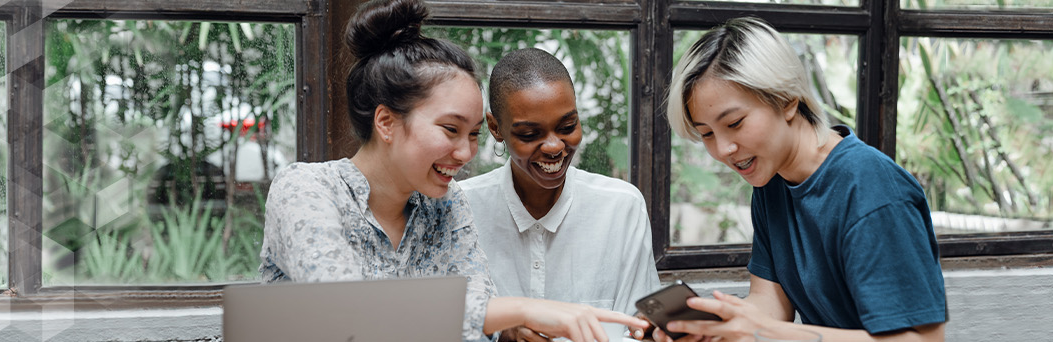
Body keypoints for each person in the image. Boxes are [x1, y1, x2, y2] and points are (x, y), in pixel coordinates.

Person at [257, 0, 648, 341]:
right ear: (387, 122)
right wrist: (524, 310)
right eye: (450, 129)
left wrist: (507, 322)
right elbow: (346, 311)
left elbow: (479, 315)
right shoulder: (307, 189)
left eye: (474, 134)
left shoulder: (445, 204)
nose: (465, 153)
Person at [654, 17, 947, 341]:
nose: (723, 149)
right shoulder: (771, 180)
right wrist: (714, 326)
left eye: (735, 123)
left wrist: (762, 330)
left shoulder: (871, 190)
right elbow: (770, 304)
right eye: (706, 133)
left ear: (787, 100)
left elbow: (924, 340)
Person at [460, 48, 660, 342]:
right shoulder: (461, 208)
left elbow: (637, 328)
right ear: (495, 127)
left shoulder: (621, 207)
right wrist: (504, 333)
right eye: (529, 134)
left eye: (568, 127)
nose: (554, 147)